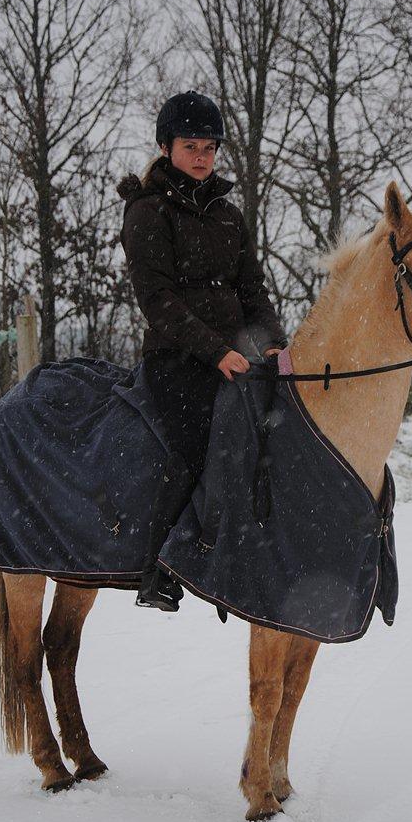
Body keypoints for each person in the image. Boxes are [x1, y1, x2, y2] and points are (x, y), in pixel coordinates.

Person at [118, 90, 287, 612]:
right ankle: (158, 569)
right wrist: (215, 351)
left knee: (277, 437)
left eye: (209, 148)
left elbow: (252, 289)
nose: (201, 157)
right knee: (196, 448)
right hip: (176, 359)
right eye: (190, 146)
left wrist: (274, 342)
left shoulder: (228, 216)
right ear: (165, 147)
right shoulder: (147, 212)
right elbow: (157, 300)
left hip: (234, 358)